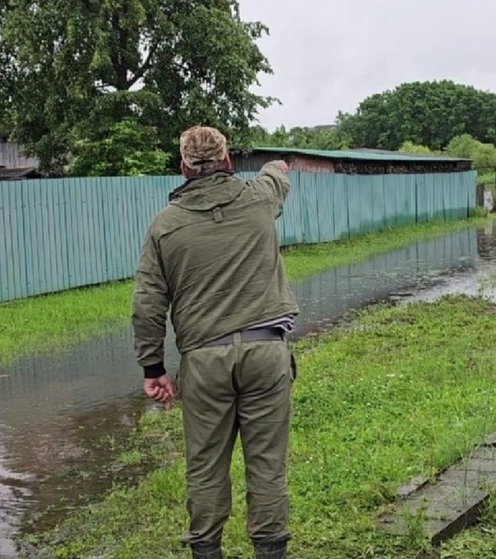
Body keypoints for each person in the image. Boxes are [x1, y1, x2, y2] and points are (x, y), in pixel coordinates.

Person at [132, 126, 299, 559]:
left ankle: (207, 550)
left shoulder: (164, 227)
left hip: (204, 362)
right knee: (267, 465)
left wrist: (153, 369)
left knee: (205, 468)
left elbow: (148, 302)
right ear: (227, 161)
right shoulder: (260, 199)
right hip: (267, 351)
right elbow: (276, 174)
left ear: (183, 167)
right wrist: (278, 164)